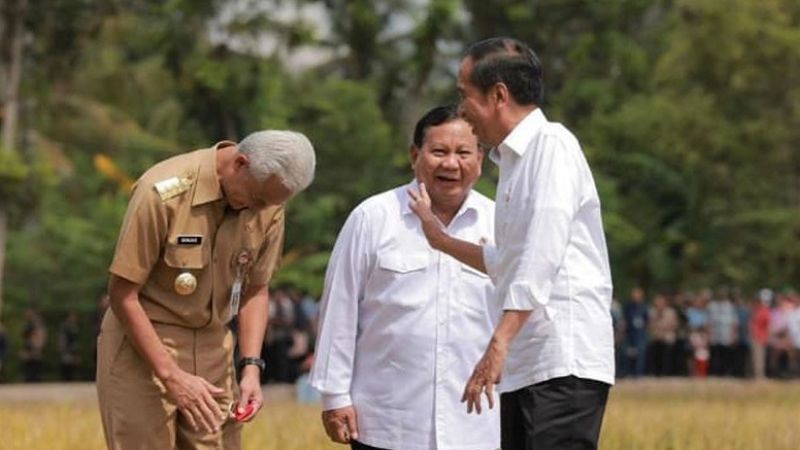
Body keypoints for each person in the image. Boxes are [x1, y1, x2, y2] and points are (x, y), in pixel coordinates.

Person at [408, 37, 614, 450]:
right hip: (529, 364)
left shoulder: (551, 146)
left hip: (562, 362)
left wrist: (498, 341)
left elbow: (542, 255)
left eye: (465, 95)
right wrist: (442, 240)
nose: (462, 108)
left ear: (498, 95)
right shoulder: (512, 165)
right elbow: (510, 261)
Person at [96, 130, 315, 450]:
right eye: (257, 200)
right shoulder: (162, 193)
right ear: (240, 163)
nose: (260, 210)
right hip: (144, 348)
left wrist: (251, 368)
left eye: (271, 204)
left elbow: (256, 288)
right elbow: (122, 295)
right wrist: (171, 376)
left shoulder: (269, 203)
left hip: (215, 345)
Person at [311, 105, 500, 450]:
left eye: (463, 153)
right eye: (439, 151)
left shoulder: (501, 222)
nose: (451, 164)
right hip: (387, 422)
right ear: (415, 155)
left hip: (478, 427)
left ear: (480, 159)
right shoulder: (373, 217)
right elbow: (339, 308)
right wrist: (334, 396)